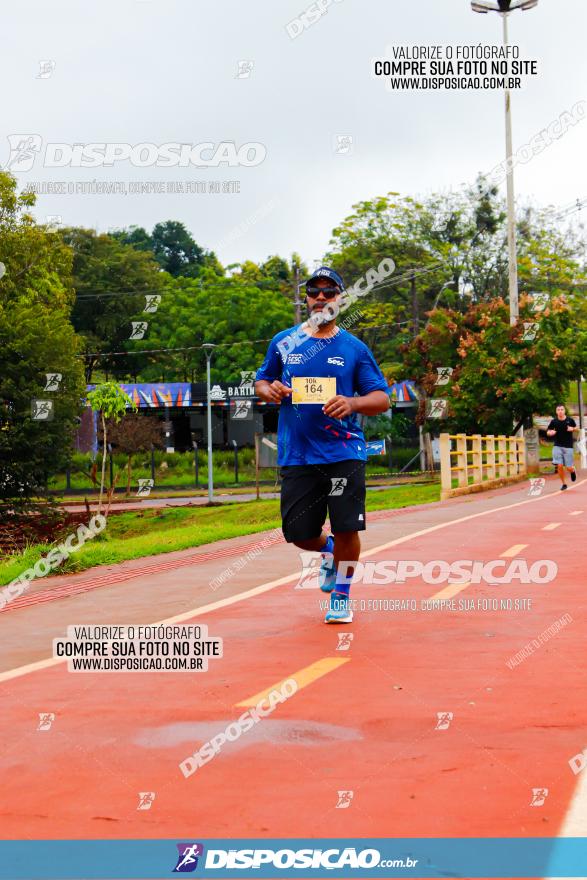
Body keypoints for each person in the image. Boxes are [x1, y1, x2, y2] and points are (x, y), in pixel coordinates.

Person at [255, 266, 389, 623]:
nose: (320, 298)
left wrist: (353, 402)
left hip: (344, 451)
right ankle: (327, 552)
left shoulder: (354, 348)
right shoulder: (284, 342)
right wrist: (269, 390)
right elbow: (262, 381)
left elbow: (381, 397)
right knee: (299, 534)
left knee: (347, 526)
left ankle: (341, 597)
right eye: (314, 291)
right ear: (307, 297)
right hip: (298, 454)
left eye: (329, 292)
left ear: (340, 299)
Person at [546, 404, 578, 490]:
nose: (560, 411)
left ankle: (573, 470)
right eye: (558, 410)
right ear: (556, 412)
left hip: (568, 447)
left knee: (568, 468)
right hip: (557, 446)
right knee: (559, 465)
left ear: (564, 411)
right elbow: (548, 431)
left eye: (562, 409)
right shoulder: (554, 422)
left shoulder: (570, 420)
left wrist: (573, 429)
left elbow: (576, 428)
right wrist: (550, 433)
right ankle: (564, 484)